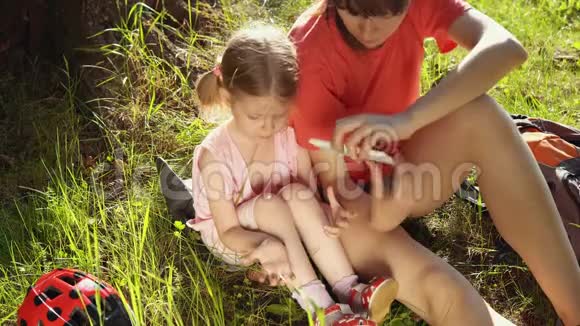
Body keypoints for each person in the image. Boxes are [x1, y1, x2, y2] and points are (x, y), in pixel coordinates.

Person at [288, 0, 580, 325]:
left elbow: (506, 48)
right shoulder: (309, 52)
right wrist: (394, 202)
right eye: (354, 11)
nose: (369, 28)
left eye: (387, 13)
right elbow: (343, 194)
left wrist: (409, 121)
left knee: (480, 114)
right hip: (340, 214)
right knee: (444, 290)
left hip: (404, 172)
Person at [188, 24, 399, 325]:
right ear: (227, 97)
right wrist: (263, 245)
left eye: (278, 115)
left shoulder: (288, 135)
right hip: (236, 236)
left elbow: (305, 196)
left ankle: (350, 289)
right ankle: (322, 310)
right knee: (272, 205)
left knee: (296, 193)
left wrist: (328, 209)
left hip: (280, 216)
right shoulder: (216, 156)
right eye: (256, 116)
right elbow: (228, 232)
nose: (268, 126)